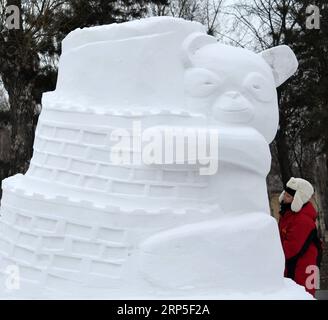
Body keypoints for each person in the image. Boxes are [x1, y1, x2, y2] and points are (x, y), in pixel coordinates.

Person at [278, 177, 322, 297]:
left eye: (288, 196)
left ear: (298, 199)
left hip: (305, 265)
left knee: (305, 295)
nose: (284, 199)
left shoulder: (302, 220)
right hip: (296, 263)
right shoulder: (289, 214)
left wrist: (275, 257)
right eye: (285, 194)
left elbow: (291, 249)